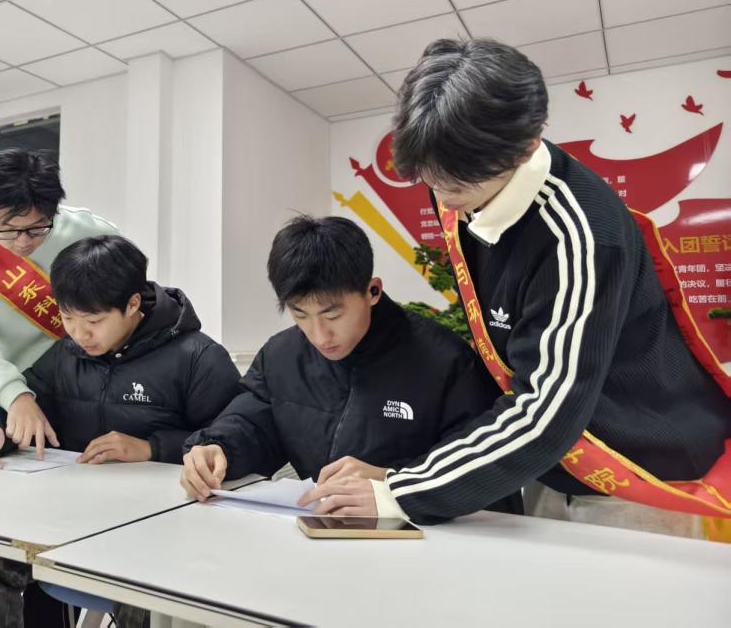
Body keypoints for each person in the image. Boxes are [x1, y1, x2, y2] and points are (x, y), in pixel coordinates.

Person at [298, 38, 731, 537]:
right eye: (431, 181)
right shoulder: (459, 180)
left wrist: (401, 491)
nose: (444, 200)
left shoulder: (581, 236)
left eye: (457, 185)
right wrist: (406, 479)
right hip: (552, 463)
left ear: (526, 148)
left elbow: (544, 411)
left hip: (639, 474)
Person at [0, 235, 242, 628]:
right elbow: (20, 406)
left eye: (94, 322)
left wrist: (150, 448)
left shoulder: (197, 358)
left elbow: (233, 443)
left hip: (155, 528)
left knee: (144, 587)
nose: (79, 334)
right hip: (72, 516)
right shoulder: (67, 354)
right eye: (68, 318)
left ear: (133, 304)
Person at [181, 215, 520, 518]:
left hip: (423, 539)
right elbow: (252, 424)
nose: (319, 335)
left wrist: (393, 482)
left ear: (372, 291)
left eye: (333, 314)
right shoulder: (281, 356)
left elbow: (483, 470)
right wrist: (220, 448)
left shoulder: (445, 361)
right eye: (300, 314)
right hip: (321, 533)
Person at [0, 148, 117, 626]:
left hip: (64, 403)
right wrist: (16, 396)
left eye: (37, 229)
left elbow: (123, 304)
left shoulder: (91, 233)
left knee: (44, 549)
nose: (23, 242)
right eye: (8, 229)